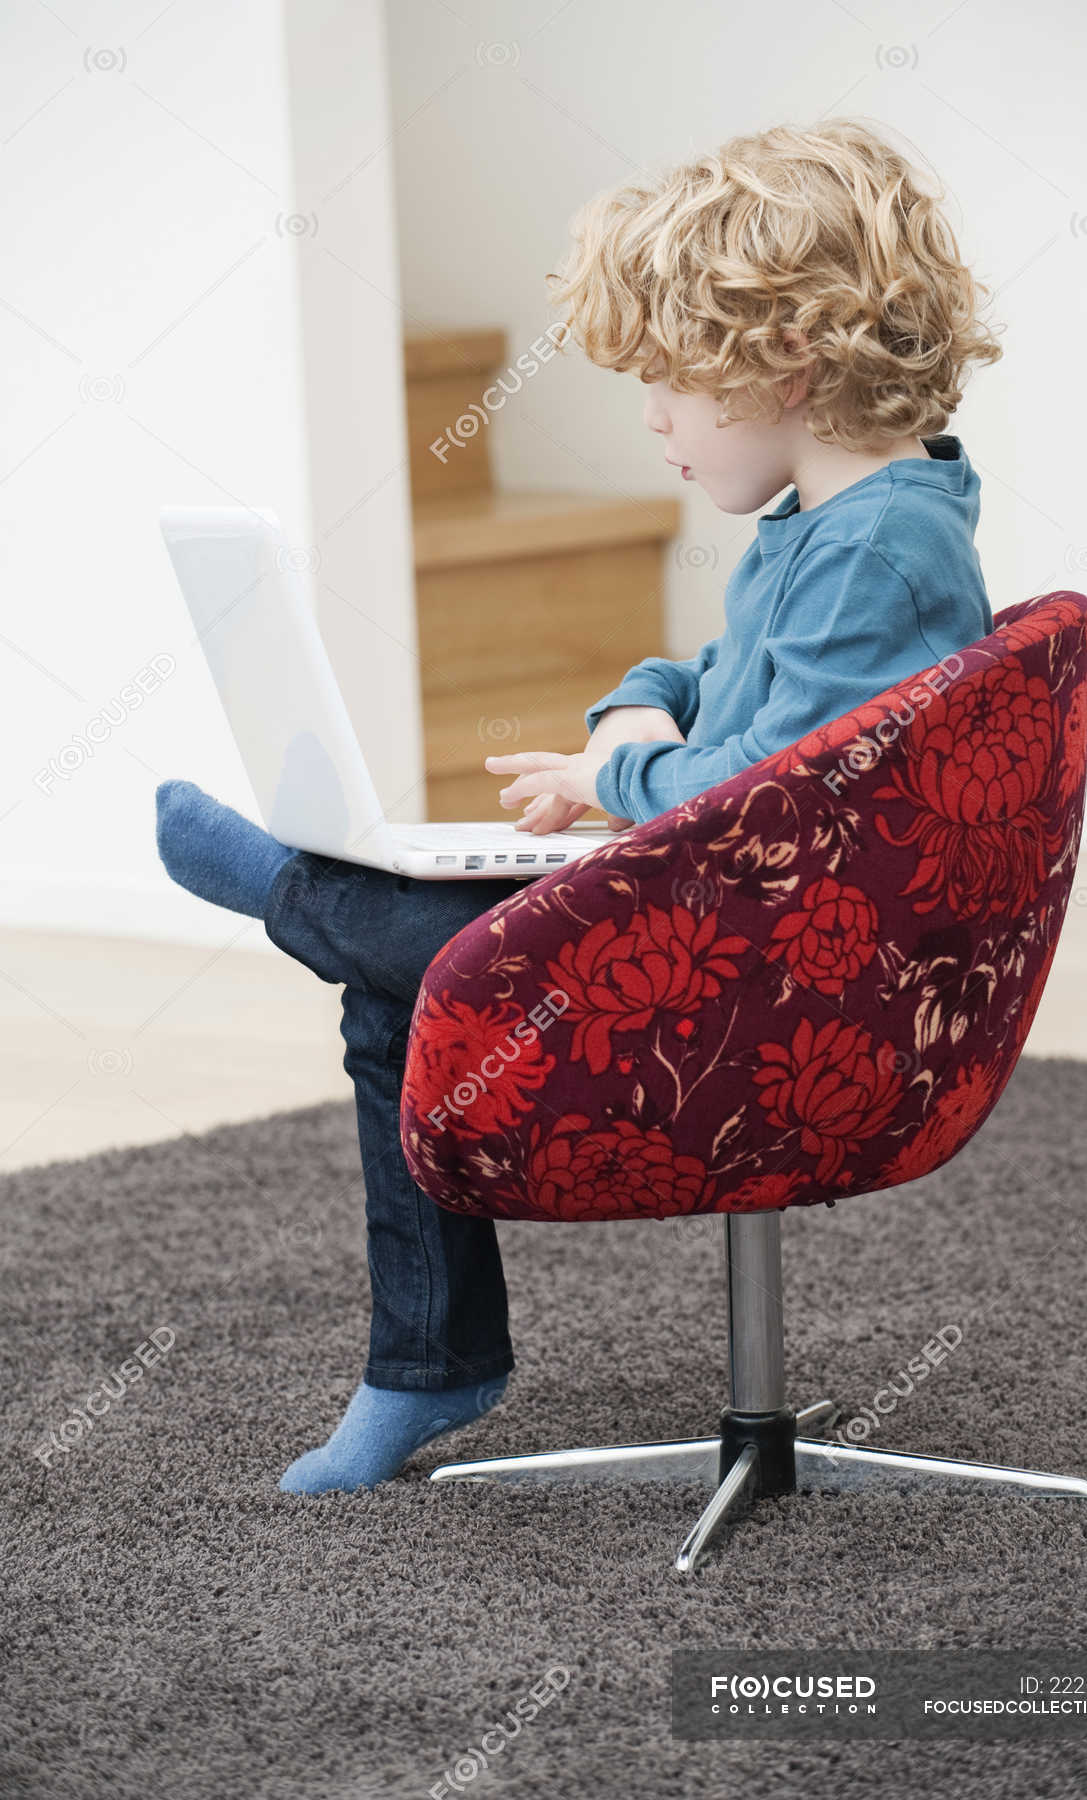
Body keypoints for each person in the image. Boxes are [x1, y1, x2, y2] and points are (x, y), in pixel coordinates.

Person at [155, 116, 1003, 1494]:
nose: (654, 422)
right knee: (397, 989)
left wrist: (614, 770)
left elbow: (754, 790)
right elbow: (720, 681)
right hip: (732, 927)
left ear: (779, 363)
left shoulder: (877, 552)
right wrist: (635, 699)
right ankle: (425, 1369)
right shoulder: (844, 524)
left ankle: (289, 894)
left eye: (667, 385)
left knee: (409, 951)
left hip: (782, 989)